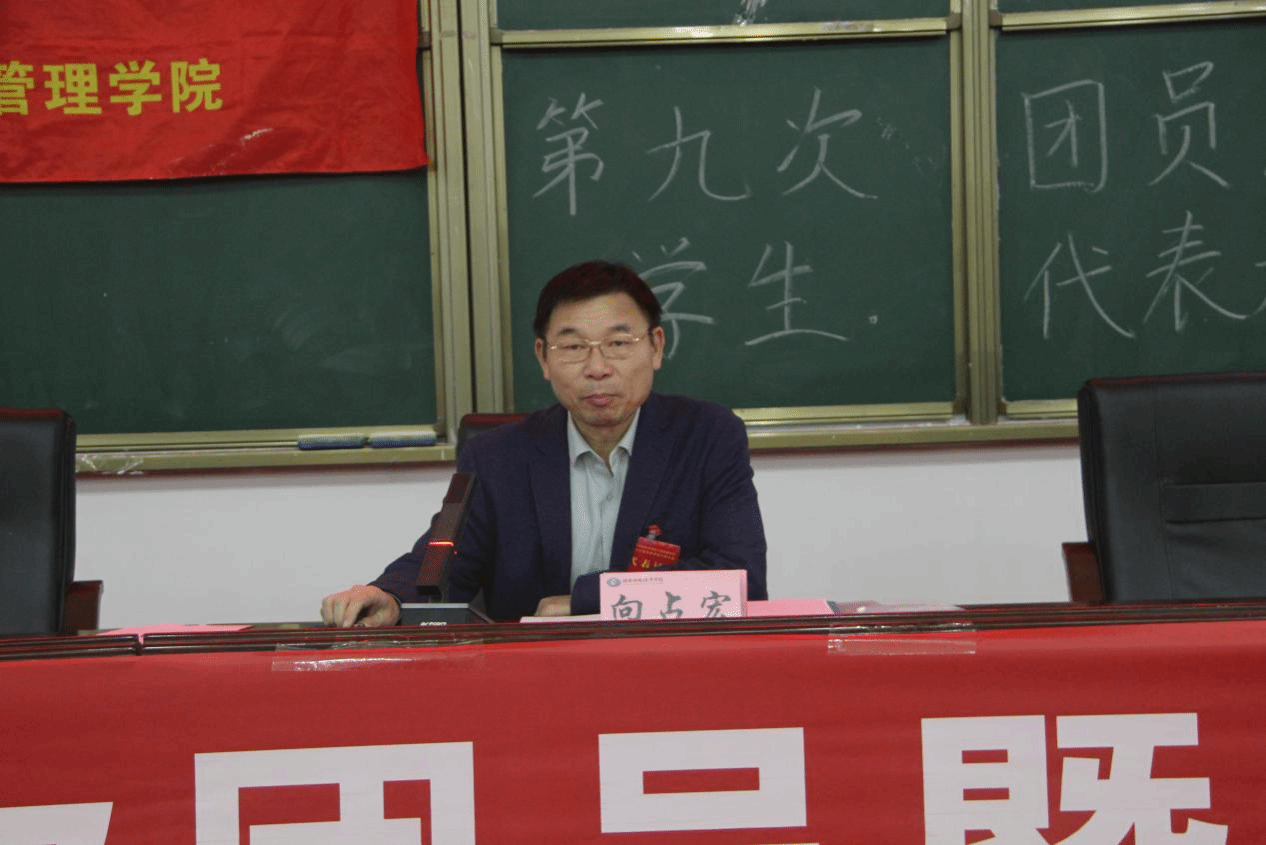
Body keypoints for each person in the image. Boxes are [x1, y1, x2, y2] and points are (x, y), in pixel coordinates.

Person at [321, 259, 767, 625]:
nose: (597, 368)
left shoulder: (708, 437)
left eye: (618, 343)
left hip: (664, 670)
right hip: (532, 678)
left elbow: (742, 580)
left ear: (655, 346)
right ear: (543, 358)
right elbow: (441, 561)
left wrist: (591, 600)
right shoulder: (495, 457)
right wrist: (389, 595)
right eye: (573, 348)